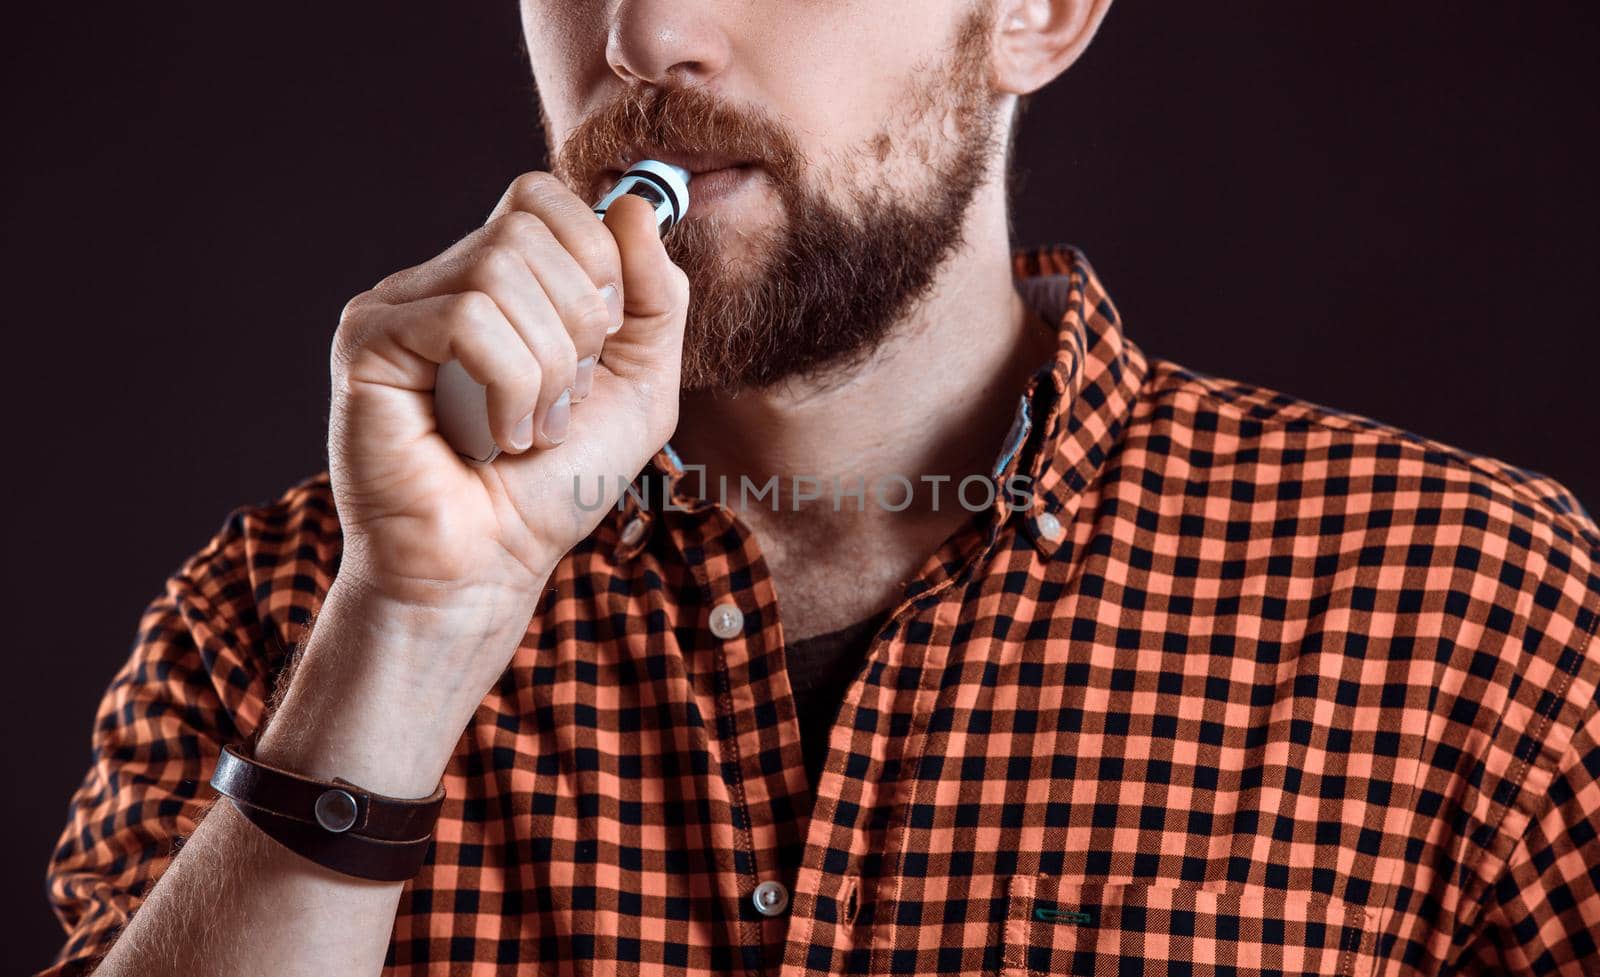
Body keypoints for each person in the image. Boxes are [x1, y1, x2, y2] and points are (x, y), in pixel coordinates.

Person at [38, 0, 1600, 974]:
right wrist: (412, 633)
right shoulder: (280, 628)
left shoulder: (1484, 621)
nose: (643, 35)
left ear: (1040, 12)